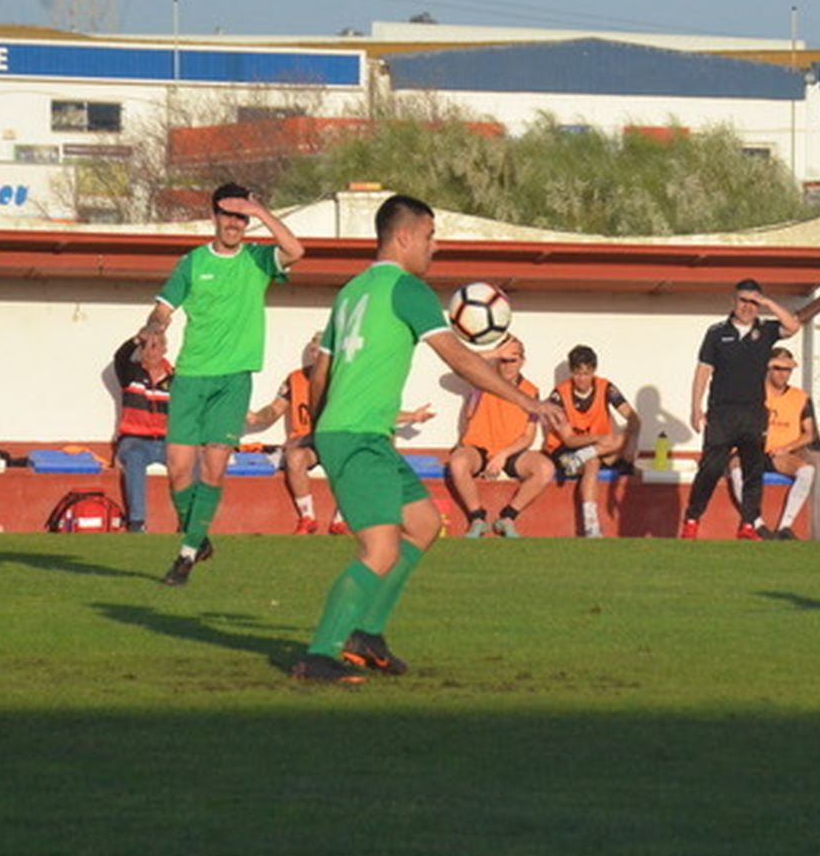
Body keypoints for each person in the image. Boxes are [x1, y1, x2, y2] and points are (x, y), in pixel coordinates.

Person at [291, 194, 563, 683]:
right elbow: (459, 358)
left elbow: (322, 370)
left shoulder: (351, 291)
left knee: (421, 524)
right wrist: (527, 402)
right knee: (380, 549)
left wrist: (317, 429)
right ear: (404, 237)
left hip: (359, 434)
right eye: (430, 236)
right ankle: (319, 654)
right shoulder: (407, 290)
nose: (434, 246)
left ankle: (366, 634)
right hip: (356, 437)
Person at [138, 182, 305, 586]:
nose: (234, 223)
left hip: (234, 380)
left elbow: (297, 251)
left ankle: (186, 554)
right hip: (192, 377)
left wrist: (262, 211)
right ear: (213, 217)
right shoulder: (192, 263)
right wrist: (153, 328)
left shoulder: (258, 258)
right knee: (178, 471)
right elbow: (163, 310)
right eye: (228, 215)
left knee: (213, 467)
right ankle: (199, 535)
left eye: (241, 217)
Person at [246, 333, 434, 535]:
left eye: (320, 349)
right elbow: (275, 409)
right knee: (294, 457)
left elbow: (373, 414)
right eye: (313, 349)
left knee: (358, 460)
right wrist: (256, 417)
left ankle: (340, 519)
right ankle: (307, 517)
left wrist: (412, 416)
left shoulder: (346, 381)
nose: (315, 353)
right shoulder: (295, 378)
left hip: (337, 438)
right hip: (307, 441)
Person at [682, 278, 800, 539]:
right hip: (721, 413)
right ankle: (692, 519)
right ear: (733, 302)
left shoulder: (766, 330)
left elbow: (793, 326)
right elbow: (703, 370)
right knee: (711, 469)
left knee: (753, 469)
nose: (747, 307)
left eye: (753, 302)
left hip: (753, 413)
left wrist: (768, 303)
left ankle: (748, 524)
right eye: (743, 300)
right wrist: (695, 407)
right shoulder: (716, 332)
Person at [446, 336, 556, 539]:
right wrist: (494, 353)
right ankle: (477, 518)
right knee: (458, 462)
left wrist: (504, 455)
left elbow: (528, 436)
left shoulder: (531, 390)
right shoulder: (482, 379)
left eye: (512, 360)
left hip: (511, 451)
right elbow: (459, 365)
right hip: (478, 448)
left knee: (545, 468)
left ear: (522, 361)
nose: (507, 366)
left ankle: (508, 518)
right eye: (503, 360)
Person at [543, 343, 641, 538]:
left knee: (621, 438)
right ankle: (591, 525)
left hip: (595, 447)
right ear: (571, 372)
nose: (582, 379)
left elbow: (633, 418)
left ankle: (591, 526)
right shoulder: (559, 395)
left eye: (587, 373)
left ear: (594, 371)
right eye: (578, 374)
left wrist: (632, 443)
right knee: (593, 462)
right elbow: (569, 440)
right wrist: (600, 438)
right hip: (566, 449)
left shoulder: (605, 387)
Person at [728, 346, 817, 540]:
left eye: (787, 369)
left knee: (807, 471)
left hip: (780, 454)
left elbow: (809, 434)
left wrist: (787, 448)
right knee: (736, 468)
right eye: (777, 368)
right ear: (767, 368)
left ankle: (785, 526)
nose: (782, 374)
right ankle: (757, 522)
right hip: (750, 451)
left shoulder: (800, 398)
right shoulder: (751, 393)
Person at [111, 329, 173, 533]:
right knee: (135, 458)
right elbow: (119, 357)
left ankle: (189, 522)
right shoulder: (131, 374)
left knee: (191, 461)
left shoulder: (176, 378)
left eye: (156, 346)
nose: (150, 351)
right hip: (135, 439)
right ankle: (137, 523)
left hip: (166, 441)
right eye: (146, 346)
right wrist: (137, 338)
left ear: (164, 349)